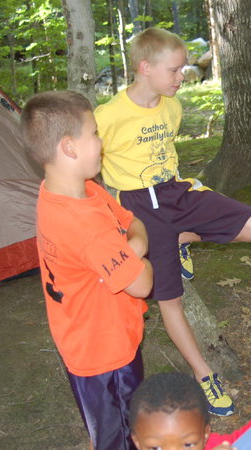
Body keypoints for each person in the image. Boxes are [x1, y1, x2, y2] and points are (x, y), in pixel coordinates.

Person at [95, 27, 251, 416]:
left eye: (182, 68)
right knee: (170, 300)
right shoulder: (108, 116)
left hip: (175, 192)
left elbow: (166, 154)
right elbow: (91, 167)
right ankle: (204, 374)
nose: (181, 76)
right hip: (139, 207)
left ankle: (180, 239)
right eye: (173, 70)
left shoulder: (172, 106)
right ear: (144, 67)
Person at [20, 90, 154, 449]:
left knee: (120, 429)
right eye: (94, 132)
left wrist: (132, 249)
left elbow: (133, 221)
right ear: (69, 147)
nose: (100, 140)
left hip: (92, 339)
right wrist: (137, 252)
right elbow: (143, 283)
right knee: (121, 436)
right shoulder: (84, 225)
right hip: (104, 355)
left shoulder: (75, 192)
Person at [129, 372, 251, 450]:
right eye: (156, 448)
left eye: (188, 445)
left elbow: (240, 441)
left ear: (205, 434)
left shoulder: (212, 445)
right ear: (137, 442)